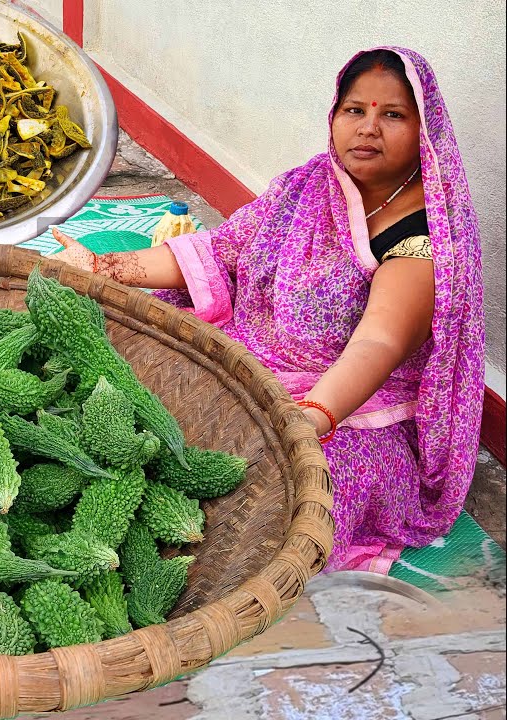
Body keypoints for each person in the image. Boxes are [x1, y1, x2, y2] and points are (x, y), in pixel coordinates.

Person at [50, 47, 484, 573]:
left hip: (352, 408)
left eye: (392, 115)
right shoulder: (309, 185)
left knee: (287, 498)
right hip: (253, 347)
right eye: (355, 110)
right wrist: (102, 268)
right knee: (125, 369)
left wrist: (309, 420)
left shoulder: (422, 240)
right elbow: (221, 252)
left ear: (423, 131)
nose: (368, 128)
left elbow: (379, 343)